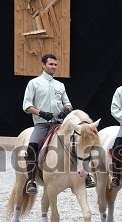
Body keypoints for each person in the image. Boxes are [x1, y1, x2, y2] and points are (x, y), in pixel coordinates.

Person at [22, 53, 95, 195]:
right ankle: (31, 180)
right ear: (43, 65)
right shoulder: (34, 83)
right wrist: (41, 113)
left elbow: (68, 104)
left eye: (55, 65)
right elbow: (26, 105)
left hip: (60, 124)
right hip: (42, 124)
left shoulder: (60, 85)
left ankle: (86, 175)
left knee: (80, 143)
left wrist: (65, 110)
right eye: (51, 64)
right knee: (31, 147)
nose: (54, 67)